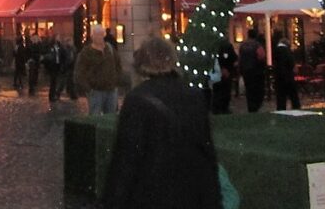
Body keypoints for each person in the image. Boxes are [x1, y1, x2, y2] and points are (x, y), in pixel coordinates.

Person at [103, 36, 222, 209]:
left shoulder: (137, 99)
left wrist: (114, 199)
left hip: (151, 193)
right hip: (190, 192)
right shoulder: (193, 96)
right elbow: (207, 151)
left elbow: (126, 158)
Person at [74, 24, 121, 115]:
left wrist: (116, 80)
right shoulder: (86, 52)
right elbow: (79, 72)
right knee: (94, 117)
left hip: (111, 90)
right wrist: (86, 89)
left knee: (111, 118)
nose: (98, 37)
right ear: (92, 36)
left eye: (100, 34)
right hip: (95, 91)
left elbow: (118, 65)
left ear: (104, 35)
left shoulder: (110, 49)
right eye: (96, 34)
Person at [238, 28, 267, 112]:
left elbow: (240, 58)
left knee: (249, 90)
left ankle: (251, 106)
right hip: (256, 71)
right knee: (258, 90)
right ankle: (256, 105)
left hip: (246, 71)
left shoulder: (243, 45)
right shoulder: (257, 45)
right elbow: (261, 56)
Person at [272, 30, 301, 111]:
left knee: (281, 97)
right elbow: (291, 64)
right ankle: (296, 109)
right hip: (288, 76)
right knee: (293, 95)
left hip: (278, 76)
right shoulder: (287, 51)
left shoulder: (275, 51)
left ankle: (281, 110)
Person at [211, 35, 238, 114]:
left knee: (218, 92)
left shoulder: (215, 45)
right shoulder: (226, 45)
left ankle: (218, 109)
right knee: (224, 91)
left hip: (218, 73)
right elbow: (233, 58)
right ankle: (222, 109)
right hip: (225, 72)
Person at [43, 34, 63, 102]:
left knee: (56, 81)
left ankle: (54, 95)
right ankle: (51, 96)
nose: (59, 38)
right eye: (58, 37)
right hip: (52, 65)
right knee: (53, 81)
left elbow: (61, 53)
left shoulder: (58, 46)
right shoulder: (50, 46)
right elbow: (48, 54)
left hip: (57, 65)